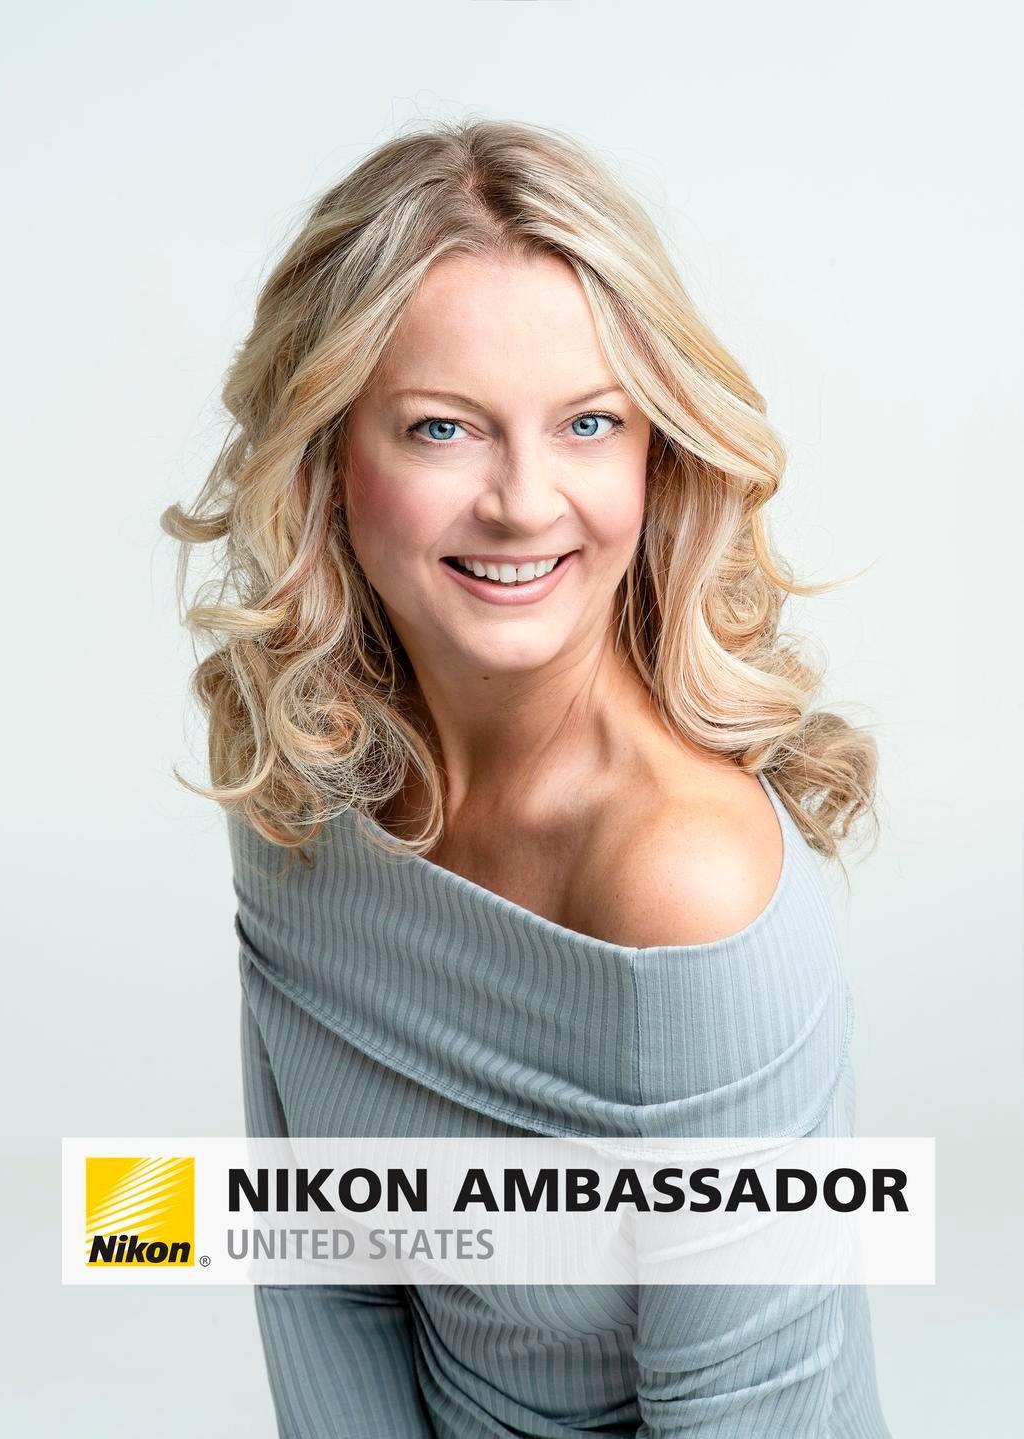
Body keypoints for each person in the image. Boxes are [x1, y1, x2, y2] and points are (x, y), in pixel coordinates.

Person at [162, 118, 890, 1437]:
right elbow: (322, 1269)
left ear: (656, 454)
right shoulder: (297, 778)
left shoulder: (687, 888)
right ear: (328, 459)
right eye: (443, 428)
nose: (522, 500)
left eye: (588, 424)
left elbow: (743, 1414)